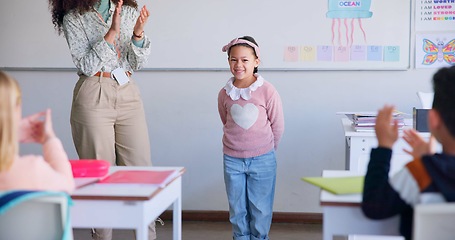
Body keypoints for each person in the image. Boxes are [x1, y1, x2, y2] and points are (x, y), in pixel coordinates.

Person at [48, 0, 155, 239]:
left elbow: (136, 63)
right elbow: (86, 65)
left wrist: (137, 34)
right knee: (99, 174)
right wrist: (112, 33)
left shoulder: (128, 11)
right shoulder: (74, 18)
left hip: (127, 90)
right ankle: (101, 236)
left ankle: (148, 236)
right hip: (93, 91)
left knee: (141, 172)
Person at [361, 66, 455, 240]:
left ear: (433, 119)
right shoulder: (425, 167)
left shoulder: (421, 172)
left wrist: (384, 148)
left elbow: (374, 207)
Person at [218, 36, 285, 240]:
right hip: (232, 159)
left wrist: (266, 149)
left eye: (245, 60)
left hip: (263, 158)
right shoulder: (224, 93)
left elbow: (277, 125)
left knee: (260, 208)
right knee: (237, 208)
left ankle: (259, 237)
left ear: (256, 62)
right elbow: (225, 120)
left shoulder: (267, 90)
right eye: (233, 60)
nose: (239, 65)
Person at [0, 71, 75, 193]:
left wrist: (10, 134)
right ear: (16, 109)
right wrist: (49, 139)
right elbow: (67, 185)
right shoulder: (31, 171)